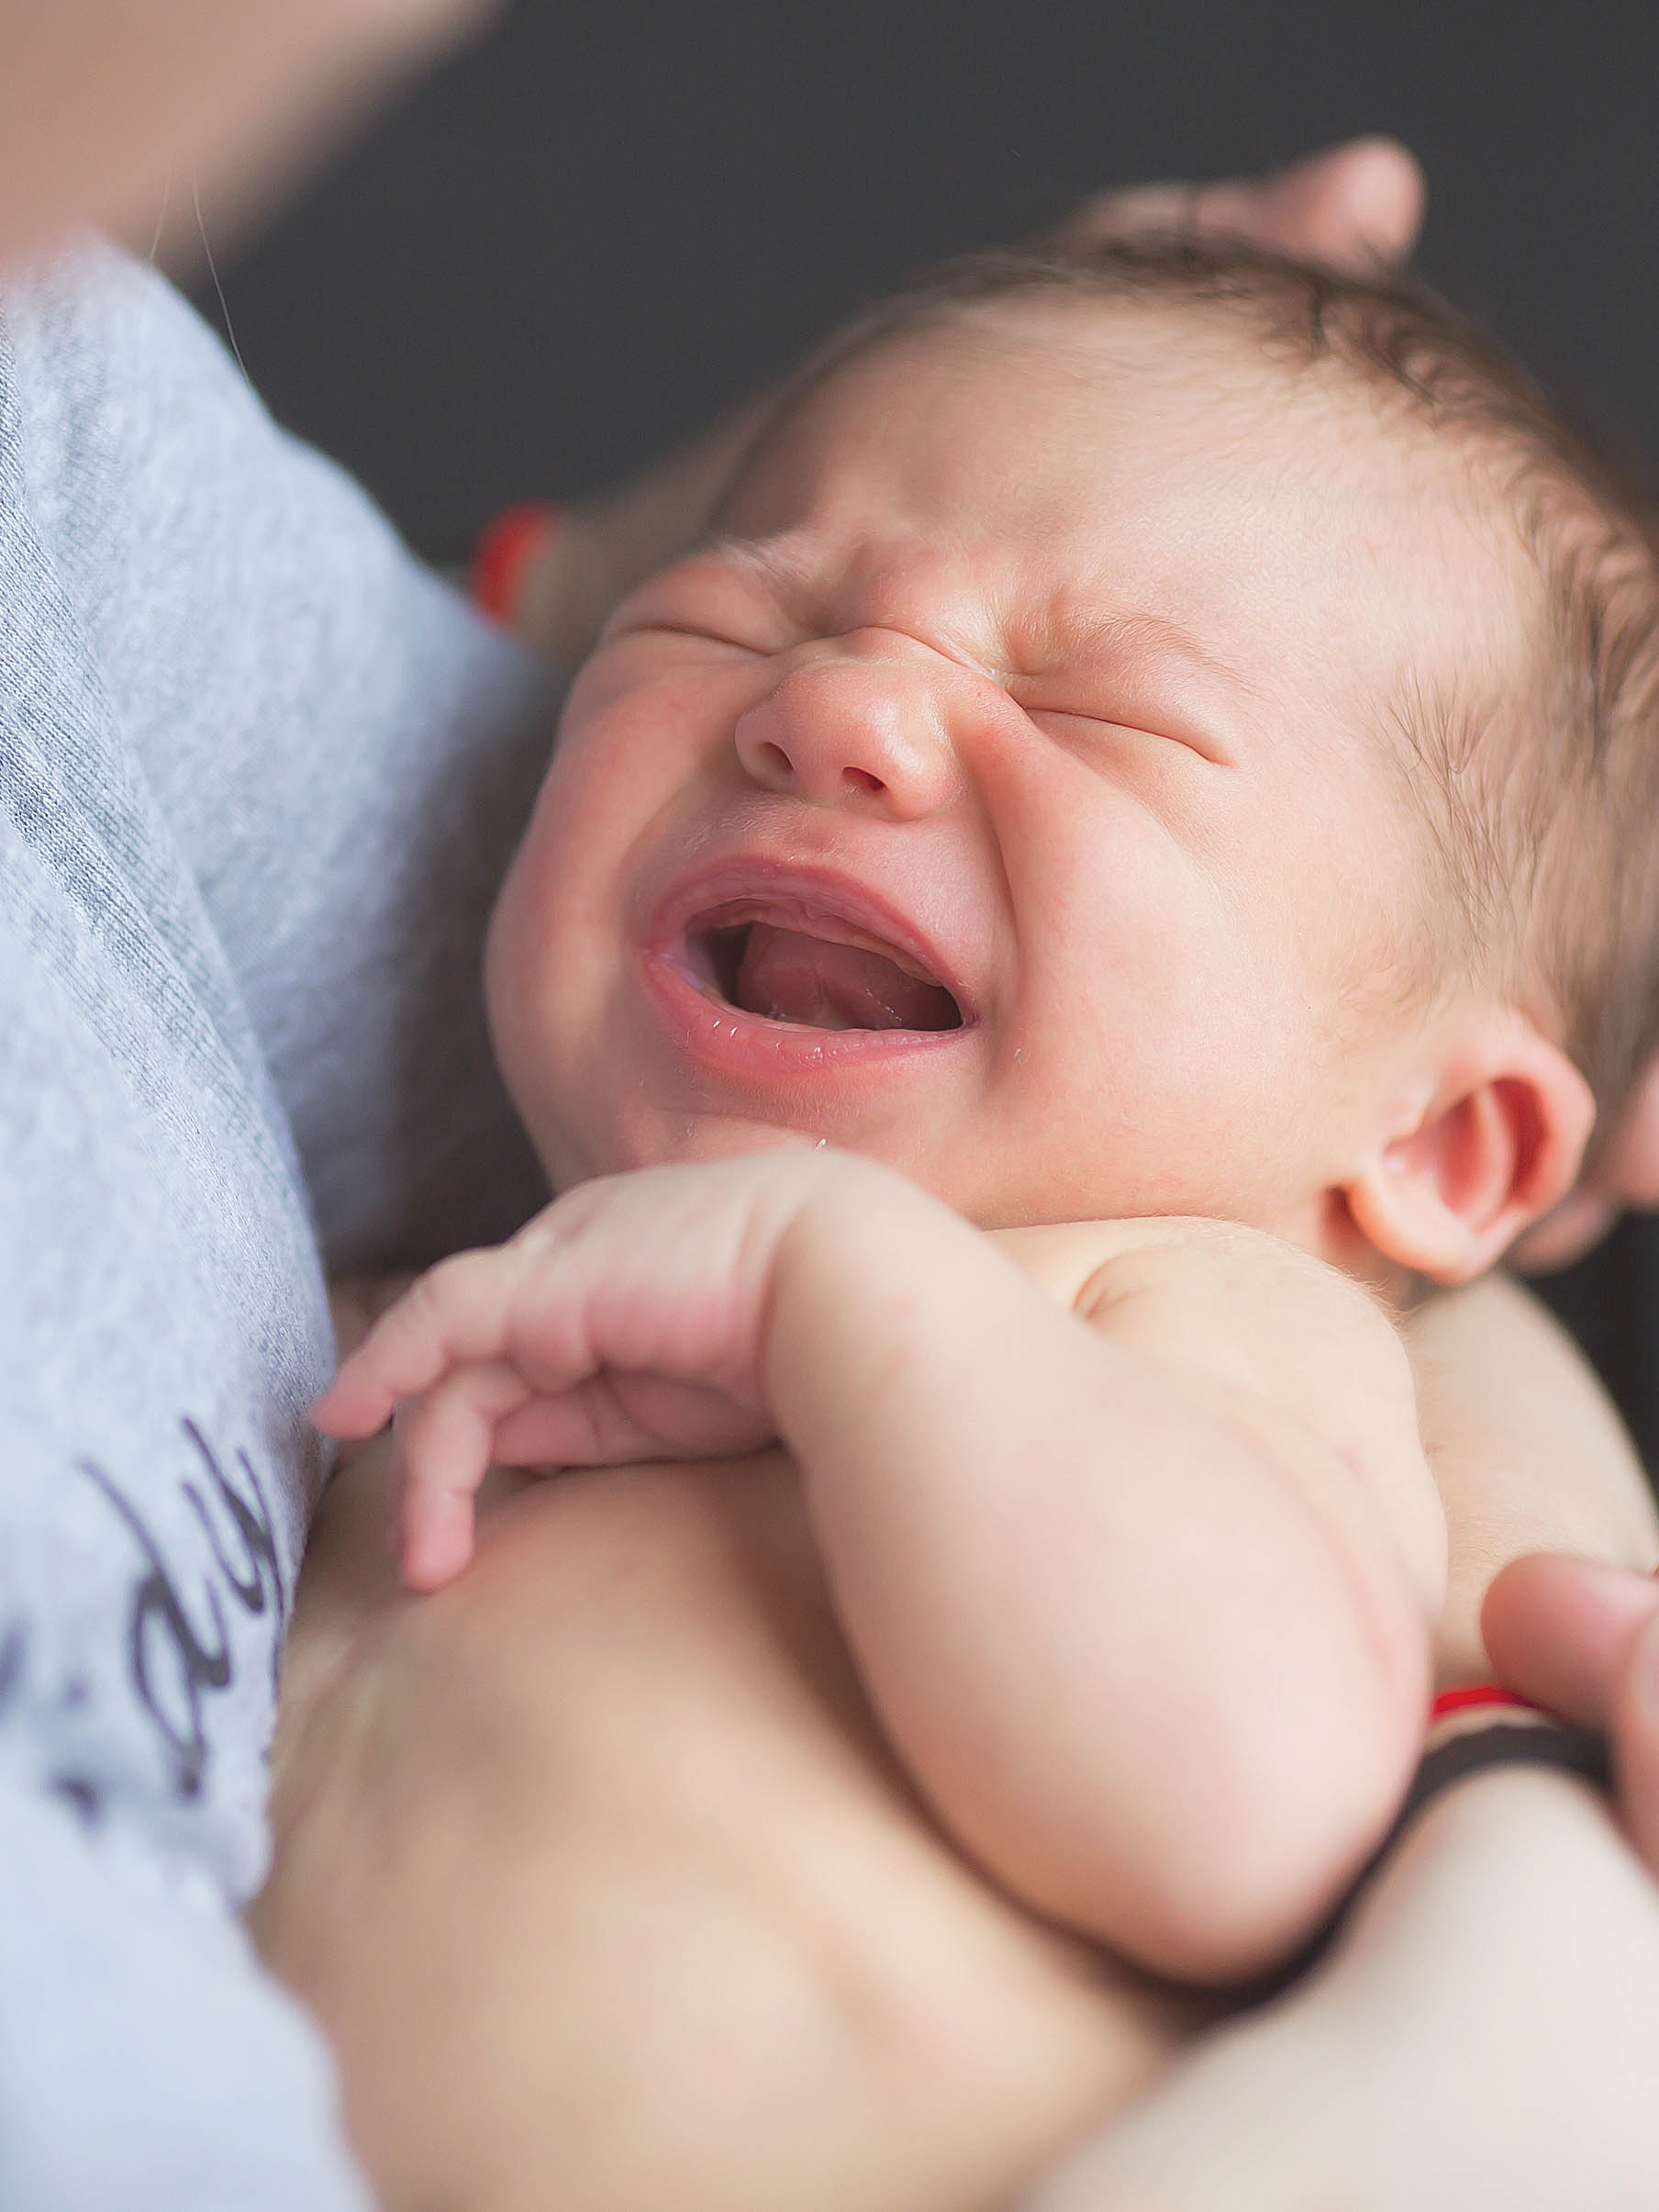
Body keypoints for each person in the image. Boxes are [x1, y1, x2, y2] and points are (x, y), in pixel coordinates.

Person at [0, 0, 1653, 2188]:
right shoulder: (389, 1270)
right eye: (732, 607)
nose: (843, 702)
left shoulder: (1172, 1321)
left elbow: (1237, 1786)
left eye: (1100, 706)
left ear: (1441, 1149)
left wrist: (828, 1283)